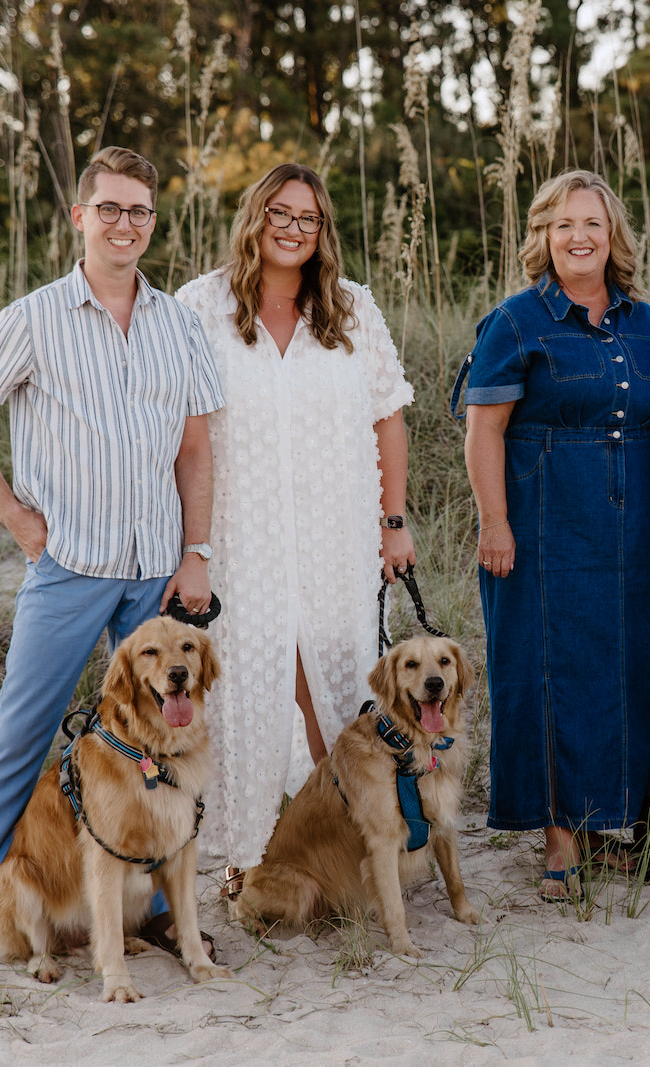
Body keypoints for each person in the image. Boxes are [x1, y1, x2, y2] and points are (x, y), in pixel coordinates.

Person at [0, 147, 225, 980]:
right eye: (112, 208)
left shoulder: (177, 323)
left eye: (141, 212)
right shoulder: (34, 316)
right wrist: (18, 518)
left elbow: (195, 448)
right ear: (81, 217)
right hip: (70, 568)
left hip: (155, 573)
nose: (126, 224)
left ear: (152, 224)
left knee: (162, 741)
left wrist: (196, 552)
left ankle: (158, 911)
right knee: (19, 739)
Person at [175, 163, 415, 878]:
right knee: (241, 690)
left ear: (322, 231)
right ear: (256, 216)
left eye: (308, 218)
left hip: (334, 529)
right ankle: (241, 857)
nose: (292, 229)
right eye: (279, 213)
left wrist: (392, 519)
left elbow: (389, 414)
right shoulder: (201, 307)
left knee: (338, 687)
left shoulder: (351, 308)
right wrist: (190, 542)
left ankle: (360, 849)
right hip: (239, 535)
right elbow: (180, 430)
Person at [454, 169, 650, 901]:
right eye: (564, 225)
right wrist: (494, 521)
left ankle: (609, 823)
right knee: (548, 668)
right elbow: (484, 430)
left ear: (614, 238)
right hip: (542, 516)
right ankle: (559, 844)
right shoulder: (516, 321)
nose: (580, 238)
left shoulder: (645, 322)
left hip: (635, 514)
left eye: (593, 225)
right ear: (543, 237)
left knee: (625, 665)